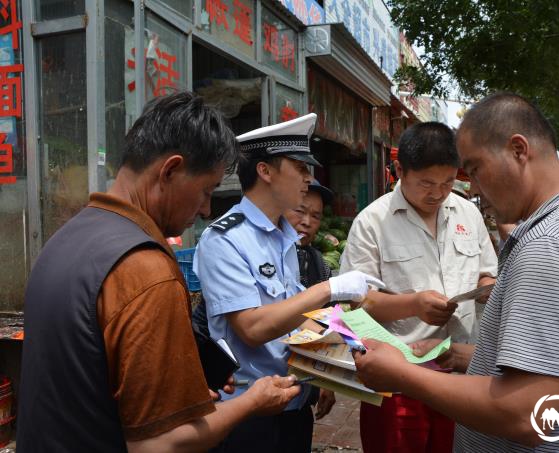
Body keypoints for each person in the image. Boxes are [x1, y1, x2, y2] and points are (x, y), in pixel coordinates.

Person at [353, 93, 559, 452]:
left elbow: (526, 413)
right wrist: (466, 355)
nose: (470, 189)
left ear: (519, 150)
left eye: (474, 170)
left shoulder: (550, 246)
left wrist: (400, 373)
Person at [17, 92, 302, 452]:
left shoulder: (64, 239)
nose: (205, 209)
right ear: (169, 170)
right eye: (205, 190)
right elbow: (159, 445)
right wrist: (252, 402)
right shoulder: (147, 271)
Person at [194, 113, 383, 453]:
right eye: (299, 168)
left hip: (294, 403)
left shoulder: (285, 237)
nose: (308, 179)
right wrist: (328, 289)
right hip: (248, 414)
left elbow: (292, 319)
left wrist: (342, 345)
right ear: (264, 171)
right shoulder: (224, 239)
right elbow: (252, 328)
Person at [340, 122, 498, 453]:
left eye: (447, 183)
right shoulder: (372, 222)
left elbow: (487, 272)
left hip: (461, 375)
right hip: (398, 380)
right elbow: (355, 304)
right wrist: (414, 305)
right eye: (426, 183)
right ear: (399, 170)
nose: (438, 193)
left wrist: (487, 287)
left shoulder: (467, 213)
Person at [283, 179, 336, 421]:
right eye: (300, 211)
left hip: (302, 393)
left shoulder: (319, 264)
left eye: (315, 216)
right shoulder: (267, 257)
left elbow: (327, 323)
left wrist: (329, 381)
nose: (307, 222)